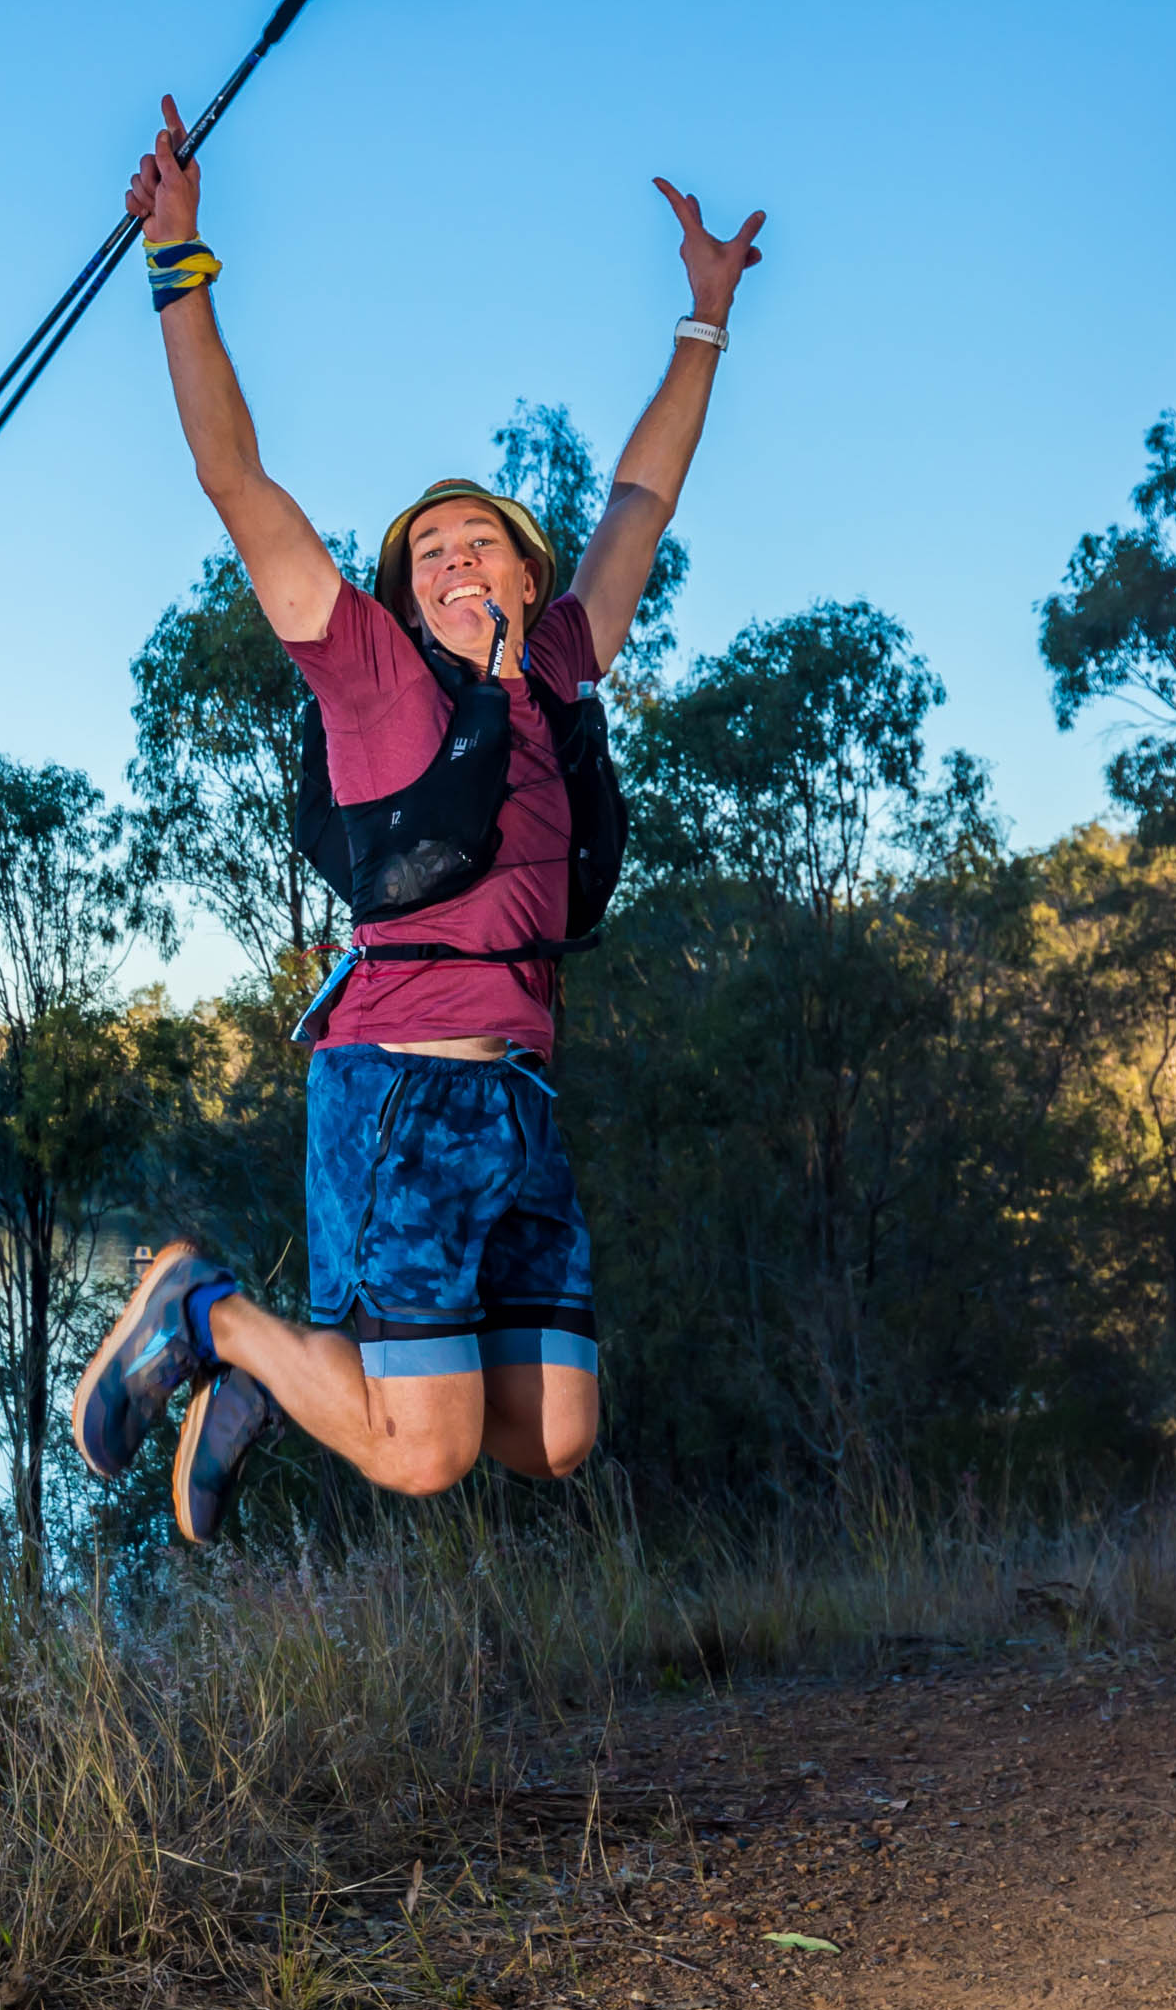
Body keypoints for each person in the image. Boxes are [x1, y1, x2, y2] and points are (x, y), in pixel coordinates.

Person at [73, 95, 766, 1540]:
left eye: (479, 543)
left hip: (519, 1094)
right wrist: (177, 264)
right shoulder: (372, 672)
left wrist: (700, 321)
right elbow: (235, 484)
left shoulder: (562, 664)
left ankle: (274, 1374)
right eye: (427, 552)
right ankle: (207, 1315)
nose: (453, 561)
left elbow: (638, 496)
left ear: (524, 568)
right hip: (401, 1079)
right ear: (403, 592)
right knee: (422, 1455)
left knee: (552, 1438)